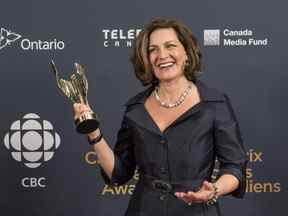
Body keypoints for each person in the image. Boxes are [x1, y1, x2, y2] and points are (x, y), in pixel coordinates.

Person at [74, 18, 248, 216]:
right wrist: (93, 133)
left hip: (197, 211)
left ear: (187, 53)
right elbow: (119, 174)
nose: (162, 55)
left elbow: (235, 167)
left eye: (170, 46)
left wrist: (214, 190)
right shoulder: (135, 109)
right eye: (153, 49)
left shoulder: (214, 104)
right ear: (146, 58)